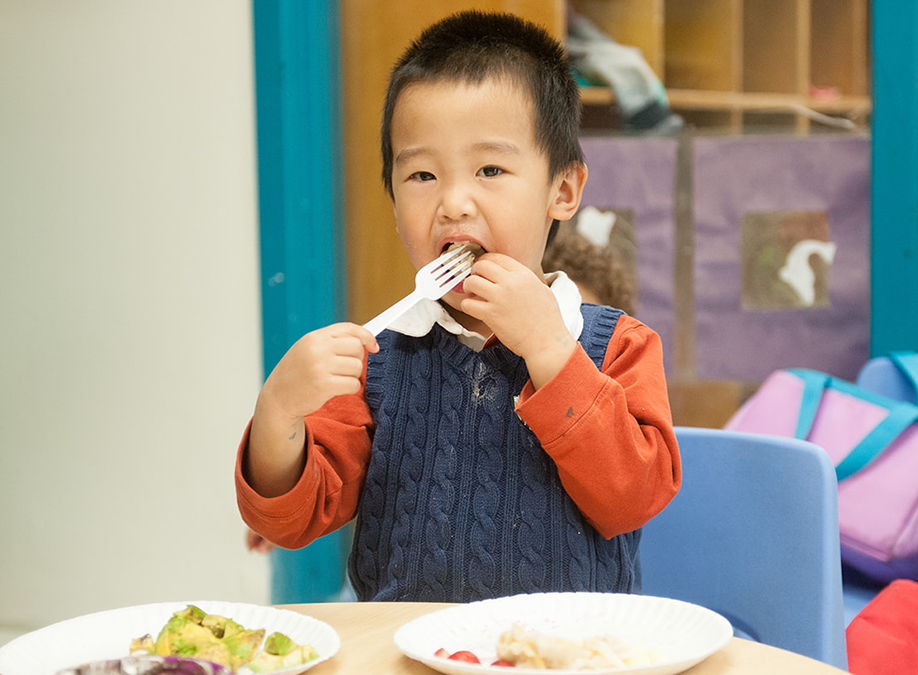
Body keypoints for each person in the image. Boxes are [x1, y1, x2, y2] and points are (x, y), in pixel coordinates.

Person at [235, 10, 680, 603]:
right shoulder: (377, 365)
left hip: (566, 659)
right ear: (394, 206)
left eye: (490, 169)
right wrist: (278, 412)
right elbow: (290, 520)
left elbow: (632, 498)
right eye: (421, 174)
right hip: (405, 652)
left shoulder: (617, 346)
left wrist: (549, 349)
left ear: (563, 191)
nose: (453, 202)